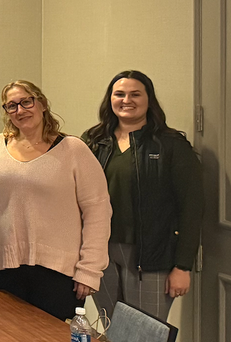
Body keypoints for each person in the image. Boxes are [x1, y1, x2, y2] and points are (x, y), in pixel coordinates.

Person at [0, 80, 112, 320]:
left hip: (58, 272)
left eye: (26, 102)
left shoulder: (73, 150)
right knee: (9, 341)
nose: (20, 110)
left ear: (42, 104)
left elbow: (98, 212)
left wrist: (90, 269)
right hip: (2, 266)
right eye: (11, 106)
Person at [82, 71, 202, 320]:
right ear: (110, 99)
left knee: (146, 341)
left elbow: (192, 207)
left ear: (149, 100)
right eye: (120, 94)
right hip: (100, 253)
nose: (127, 100)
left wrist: (183, 266)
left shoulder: (171, 145)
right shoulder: (93, 142)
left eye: (136, 94)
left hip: (152, 257)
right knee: (114, 336)